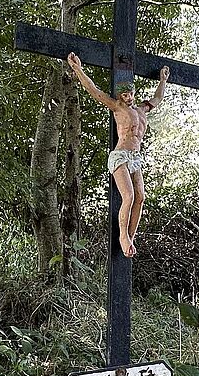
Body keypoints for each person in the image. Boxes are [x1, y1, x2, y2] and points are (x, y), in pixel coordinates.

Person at [67, 51, 169, 257]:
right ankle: (123, 236)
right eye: (125, 95)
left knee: (140, 197)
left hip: (135, 158)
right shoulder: (117, 108)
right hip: (121, 155)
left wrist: (163, 81)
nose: (129, 98)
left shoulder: (142, 110)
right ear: (120, 96)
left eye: (131, 94)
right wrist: (78, 69)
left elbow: (158, 98)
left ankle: (130, 237)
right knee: (128, 196)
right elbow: (94, 91)